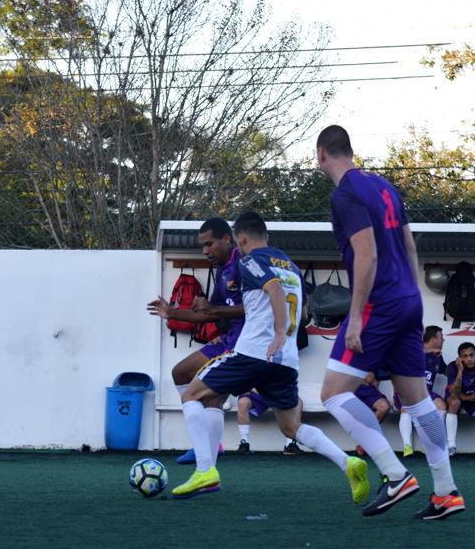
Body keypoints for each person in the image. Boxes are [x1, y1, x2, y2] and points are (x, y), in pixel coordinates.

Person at [316, 125, 464, 520]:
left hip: (379, 304)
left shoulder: (344, 194)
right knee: (417, 401)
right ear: (350, 149)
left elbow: (366, 256)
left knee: (332, 393)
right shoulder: (384, 186)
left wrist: (355, 318)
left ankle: (395, 475)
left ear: (321, 154)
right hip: (408, 300)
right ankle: (447, 491)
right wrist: (409, 293)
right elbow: (410, 244)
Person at [172, 212, 370, 504]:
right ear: (267, 235)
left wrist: (276, 331)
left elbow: (274, 290)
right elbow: (302, 315)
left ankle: (205, 470)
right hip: (286, 361)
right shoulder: (290, 266)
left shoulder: (249, 261)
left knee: (190, 395)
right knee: (291, 427)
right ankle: (348, 463)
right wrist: (283, 333)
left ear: (240, 238)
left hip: (254, 352)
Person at [147, 218, 245, 465]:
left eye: (209, 244)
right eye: (202, 246)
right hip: (229, 340)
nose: (205, 251)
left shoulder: (243, 264)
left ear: (226, 239)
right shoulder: (223, 270)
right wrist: (172, 313)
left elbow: (258, 307)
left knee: (193, 390)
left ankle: (205, 455)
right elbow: (207, 313)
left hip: (244, 345)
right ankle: (210, 452)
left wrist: (214, 309)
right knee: (185, 377)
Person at [394, 326, 448, 458]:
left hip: (425, 394)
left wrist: (460, 368)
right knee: (407, 407)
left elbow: (446, 371)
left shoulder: (437, 356)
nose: (443, 340)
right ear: (434, 339)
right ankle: (407, 447)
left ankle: (429, 445)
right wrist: (431, 350)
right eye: (441, 337)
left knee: (442, 406)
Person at [235, 389, 306, 455]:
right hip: (255, 392)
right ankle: (244, 443)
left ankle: (290, 444)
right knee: (243, 402)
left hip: (276, 393)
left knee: (298, 403)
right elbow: (247, 382)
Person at [353, 372, 391, 455]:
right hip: (352, 389)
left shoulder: (376, 359)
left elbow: (372, 380)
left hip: (369, 389)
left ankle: (363, 439)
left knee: (384, 407)